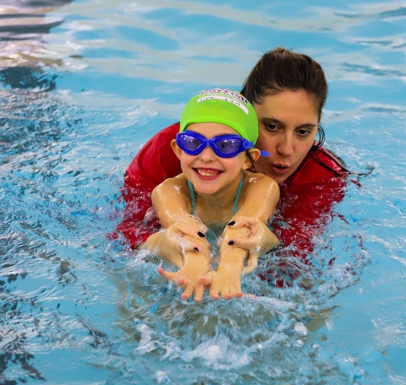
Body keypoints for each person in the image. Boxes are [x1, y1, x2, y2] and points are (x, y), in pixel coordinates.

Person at [115, 47, 348, 287]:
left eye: (303, 132)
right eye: (271, 127)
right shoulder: (170, 151)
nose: (287, 149)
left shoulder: (321, 175)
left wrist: (257, 248)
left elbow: (296, 261)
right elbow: (125, 234)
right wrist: (156, 244)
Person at [140, 88, 280, 301]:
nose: (206, 156)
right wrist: (196, 262)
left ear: (248, 159)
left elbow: (245, 227)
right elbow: (184, 230)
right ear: (178, 150)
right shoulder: (168, 190)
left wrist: (231, 267)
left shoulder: (262, 187)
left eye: (226, 146)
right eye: (193, 142)